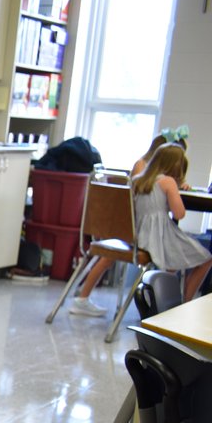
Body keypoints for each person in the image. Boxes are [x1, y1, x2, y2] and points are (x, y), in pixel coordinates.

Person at [69, 130, 192, 317]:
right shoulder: (148, 172)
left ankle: (83, 298)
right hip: (135, 229)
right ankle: (171, 309)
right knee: (174, 255)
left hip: (128, 227)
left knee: (110, 256)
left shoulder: (150, 172)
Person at [130, 143, 212, 302]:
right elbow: (179, 214)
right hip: (159, 237)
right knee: (206, 258)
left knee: (174, 261)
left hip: (139, 236)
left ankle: (166, 298)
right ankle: (186, 301)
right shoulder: (168, 182)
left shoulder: (138, 180)